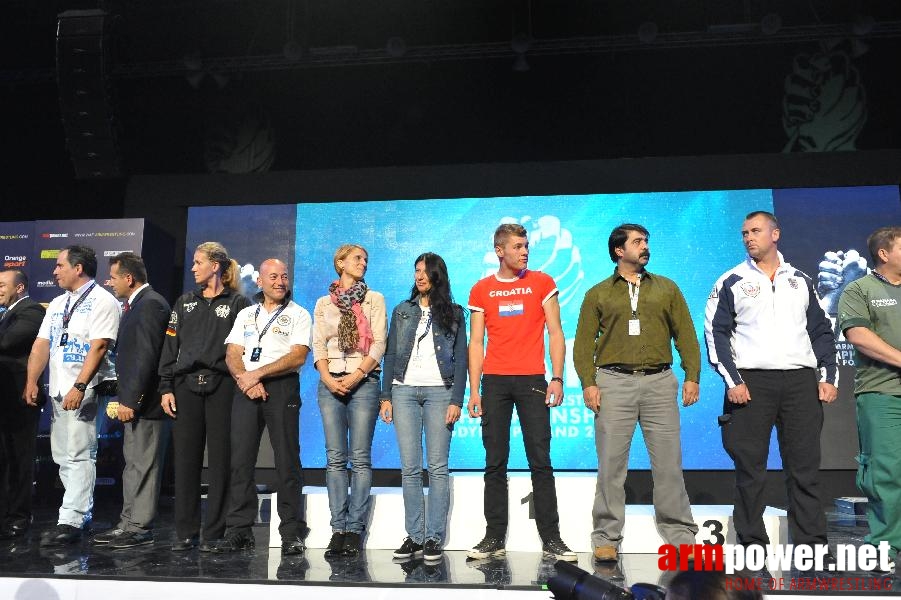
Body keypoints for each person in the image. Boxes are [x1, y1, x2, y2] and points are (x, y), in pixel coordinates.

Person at [704, 211, 838, 554]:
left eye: (756, 231)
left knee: (804, 468)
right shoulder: (731, 280)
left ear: (775, 234)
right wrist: (732, 380)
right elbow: (715, 334)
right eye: (745, 232)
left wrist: (827, 376)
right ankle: (752, 545)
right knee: (750, 470)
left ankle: (811, 546)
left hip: (800, 383)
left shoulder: (801, 280)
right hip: (751, 384)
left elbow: (821, 331)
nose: (749, 237)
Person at [573, 223, 700, 563]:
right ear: (619, 251)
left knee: (669, 464)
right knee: (611, 466)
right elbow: (584, 344)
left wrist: (692, 375)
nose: (645, 246)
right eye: (637, 242)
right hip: (613, 383)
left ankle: (680, 534)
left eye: (646, 241)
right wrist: (588, 382)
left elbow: (685, 333)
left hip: (660, 382)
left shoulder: (666, 288)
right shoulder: (598, 293)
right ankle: (606, 537)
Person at [466, 222, 576, 562]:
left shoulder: (542, 282)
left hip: (532, 379)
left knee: (540, 461)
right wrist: (474, 390)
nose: (525, 251)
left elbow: (556, 333)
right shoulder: (481, 289)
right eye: (517, 246)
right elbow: (476, 342)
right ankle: (493, 537)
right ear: (500, 250)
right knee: (494, 462)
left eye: (526, 245)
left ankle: (552, 538)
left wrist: (557, 378)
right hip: (495, 382)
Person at [214, 258, 312, 555]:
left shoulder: (298, 314)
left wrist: (258, 373)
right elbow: (233, 353)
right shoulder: (246, 314)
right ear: (260, 281)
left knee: (287, 460)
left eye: (284, 276)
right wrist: (246, 378)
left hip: (282, 387)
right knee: (240, 460)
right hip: (246, 387)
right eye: (273, 276)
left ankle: (291, 531)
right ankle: (239, 529)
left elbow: (297, 357)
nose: (280, 281)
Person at [24, 246, 120, 546]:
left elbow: (100, 346)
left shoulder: (103, 301)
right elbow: (41, 344)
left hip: (87, 388)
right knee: (63, 457)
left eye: (60, 265)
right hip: (57, 389)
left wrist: (80, 387)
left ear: (78, 268)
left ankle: (73, 519)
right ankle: (77, 515)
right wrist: (32, 381)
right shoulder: (56, 303)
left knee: (79, 455)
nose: (55, 271)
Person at [158, 241, 250, 551]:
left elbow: (246, 352)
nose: (193, 267)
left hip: (223, 386)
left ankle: (214, 532)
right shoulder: (184, 302)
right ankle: (185, 532)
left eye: (198, 262)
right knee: (185, 462)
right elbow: (170, 348)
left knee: (221, 461)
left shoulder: (239, 304)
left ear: (216, 266)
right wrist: (166, 387)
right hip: (185, 388)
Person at [380, 252, 468, 562]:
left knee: (438, 467)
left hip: (439, 392)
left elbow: (461, 361)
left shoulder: (454, 313)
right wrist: (386, 396)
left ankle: (433, 537)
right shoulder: (402, 311)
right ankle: (414, 536)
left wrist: (457, 399)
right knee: (410, 468)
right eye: (416, 270)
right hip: (403, 391)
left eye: (426, 271)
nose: (420, 276)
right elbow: (390, 355)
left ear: (437, 276)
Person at [312, 244, 387, 558]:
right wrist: (329, 379)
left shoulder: (374, 299)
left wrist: (356, 376)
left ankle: (354, 530)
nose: (363, 263)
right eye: (358, 258)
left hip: (364, 382)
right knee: (334, 459)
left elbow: (380, 342)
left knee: (360, 458)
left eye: (366, 260)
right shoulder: (322, 302)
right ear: (339, 262)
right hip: (330, 382)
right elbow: (318, 343)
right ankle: (338, 528)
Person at [92, 252, 171, 549]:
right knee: (133, 465)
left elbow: (145, 358)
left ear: (128, 278)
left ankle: (139, 527)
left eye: (113, 277)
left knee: (144, 465)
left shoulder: (150, 304)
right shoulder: (138, 304)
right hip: (136, 401)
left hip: (147, 404)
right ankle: (127, 522)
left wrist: (132, 400)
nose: (109, 282)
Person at [838, 226, 901, 567]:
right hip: (883, 392)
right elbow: (859, 336)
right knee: (886, 471)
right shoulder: (859, 289)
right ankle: (886, 547)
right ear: (884, 253)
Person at [0, 270, 46, 539]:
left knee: (19, 458)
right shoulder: (5, 314)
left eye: (2, 285)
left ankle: (19, 516)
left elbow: (7, 342)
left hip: (20, 398)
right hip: (3, 398)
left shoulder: (31, 311)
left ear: (19, 288)